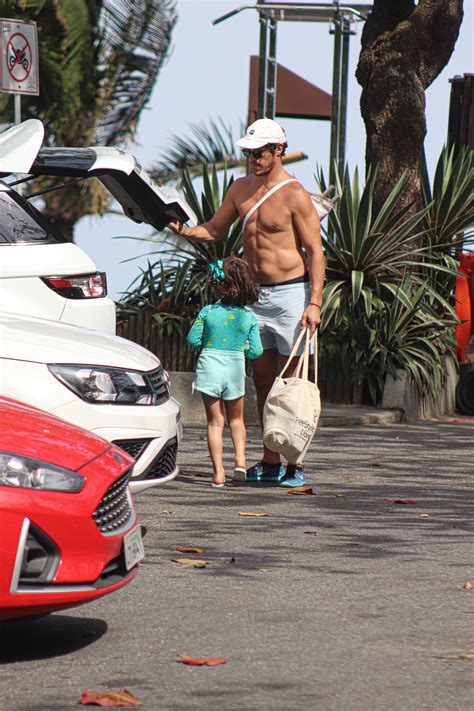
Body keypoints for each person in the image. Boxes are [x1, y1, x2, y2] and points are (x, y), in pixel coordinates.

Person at [170, 118, 325, 488]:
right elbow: (213, 229)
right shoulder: (239, 188)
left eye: (259, 153)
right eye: (248, 153)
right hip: (253, 297)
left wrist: (315, 303)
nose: (252, 158)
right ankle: (270, 461)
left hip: (291, 295)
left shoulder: (295, 194)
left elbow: (316, 252)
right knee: (261, 379)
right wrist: (182, 230)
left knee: (292, 383)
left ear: (279, 151)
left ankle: (294, 462)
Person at [187, 255, 263, 487]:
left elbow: (192, 339)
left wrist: (206, 341)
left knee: (215, 422)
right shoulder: (248, 317)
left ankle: (218, 473)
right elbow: (256, 352)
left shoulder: (208, 312)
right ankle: (240, 461)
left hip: (209, 366)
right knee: (237, 419)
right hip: (234, 367)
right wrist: (245, 349)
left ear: (218, 285)